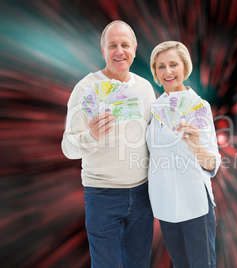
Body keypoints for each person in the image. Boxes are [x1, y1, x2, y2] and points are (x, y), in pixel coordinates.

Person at [61, 20, 156, 267]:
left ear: (135, 49)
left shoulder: (145, 88)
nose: (119, 51)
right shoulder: (85, 88)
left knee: (139, 264)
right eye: (112, 45)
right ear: (102, 50)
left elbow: (153, 139)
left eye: (125, 45)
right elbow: (68, 147)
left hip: (142, 193)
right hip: (102, 194)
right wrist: (90, 136)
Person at [147, 41, 221, 267]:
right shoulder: (153, 109)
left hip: (195, 205)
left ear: (184, 68)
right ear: (156, 74)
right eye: (161, 67)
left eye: (173, 65)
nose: (167, 72)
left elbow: (213, 164)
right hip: (166, 206)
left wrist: (197, 146)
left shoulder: (199, 107)